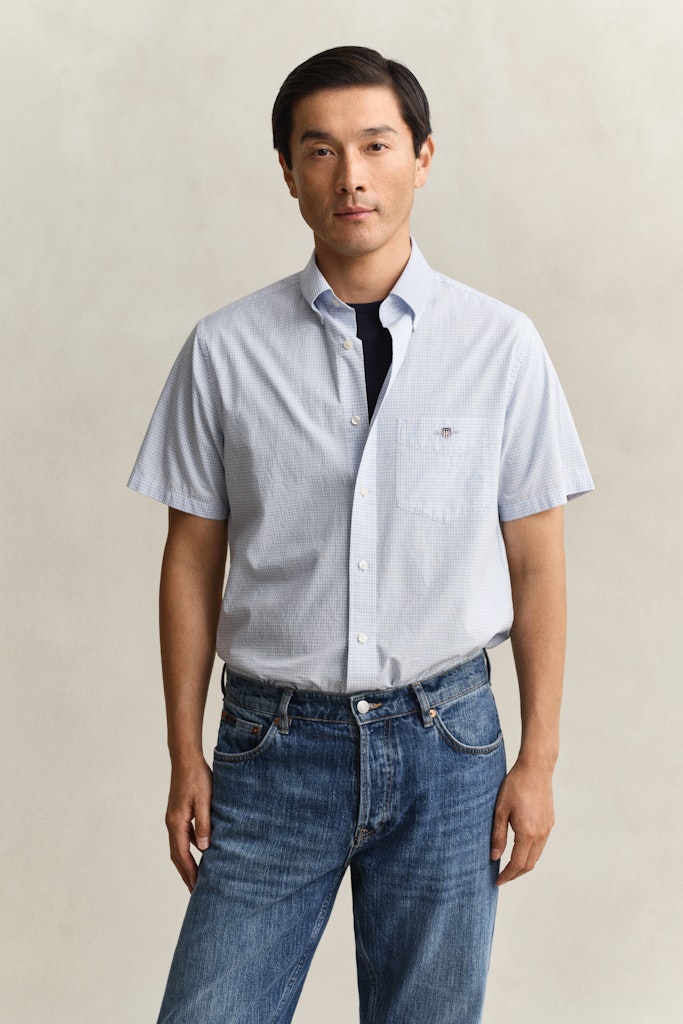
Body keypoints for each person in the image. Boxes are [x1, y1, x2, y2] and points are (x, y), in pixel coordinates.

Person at [129, 45, 593, 1024]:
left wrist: (538, 758)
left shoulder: (499, 346)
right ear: (288, 171)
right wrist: (183, 752)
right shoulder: (225, 350)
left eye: (376, 145)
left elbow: (535, 559)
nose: (351, 176)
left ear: (422, 156)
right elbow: (192, 559)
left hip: (447, 744)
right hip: (272, 747)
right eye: (321, 150)